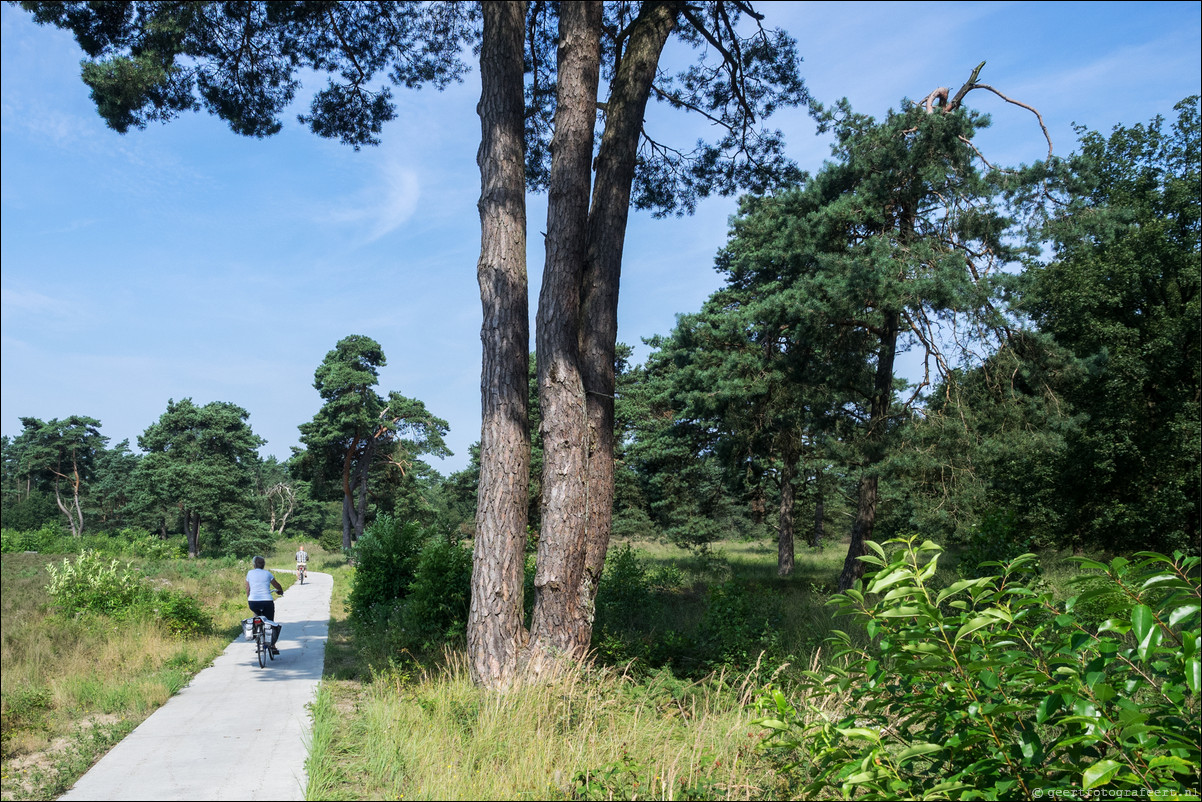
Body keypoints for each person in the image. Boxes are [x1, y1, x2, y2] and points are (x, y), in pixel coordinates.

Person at [245, 556, 283, 654]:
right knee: (269, 622)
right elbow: (277, 585)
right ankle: (273, 645)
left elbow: (247, 589)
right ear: (263, 565)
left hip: (253, 602)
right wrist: (280, 591)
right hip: (267, 602)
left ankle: (257, 635)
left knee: (257, 615)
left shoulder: (249, 573)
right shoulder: (267, 573)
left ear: (254, 565)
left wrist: (249, 598)